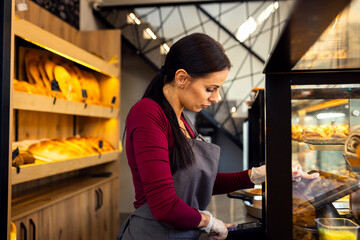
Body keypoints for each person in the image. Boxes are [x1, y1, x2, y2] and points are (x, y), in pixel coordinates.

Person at [117, 33, 319, 240]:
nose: (216, 98)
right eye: (210, 89)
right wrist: (208, 222)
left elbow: (198, 183)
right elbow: (164, 206)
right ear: (181, 78)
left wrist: (258, 175)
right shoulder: (148, 113)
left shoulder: (182, 119)